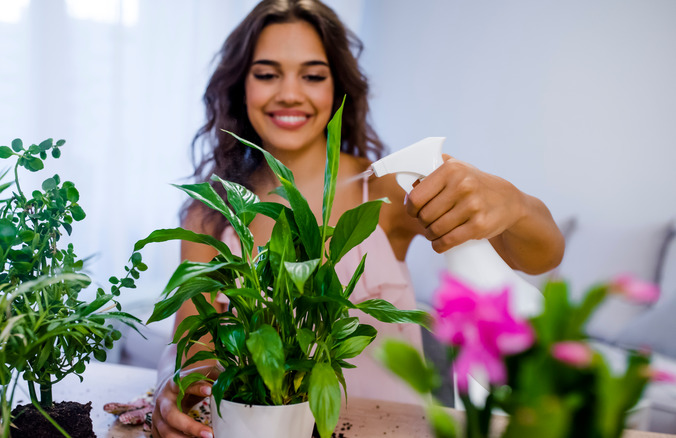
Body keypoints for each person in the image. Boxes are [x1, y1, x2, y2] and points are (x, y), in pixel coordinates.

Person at [151, 1, 565, 437]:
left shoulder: (387, 189)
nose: (290, 93)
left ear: (338, 87)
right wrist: (169, 382)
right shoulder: (210, 213)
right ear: (241, 86)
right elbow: (191, 348)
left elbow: (542, 256)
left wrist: (512, 204)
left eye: (312, 75)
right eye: (268, 73)